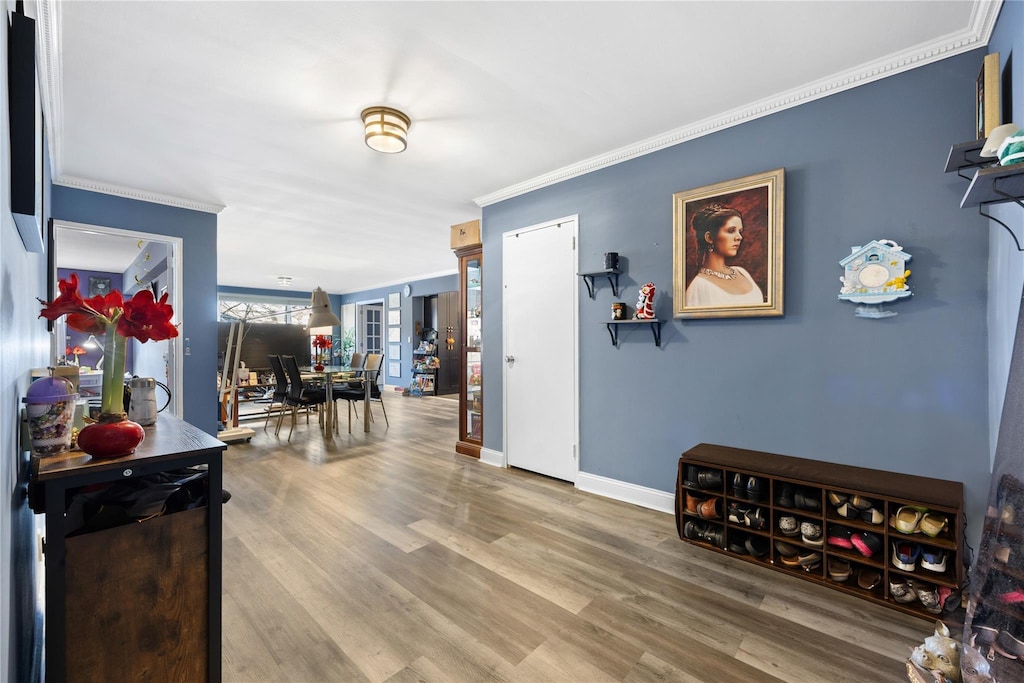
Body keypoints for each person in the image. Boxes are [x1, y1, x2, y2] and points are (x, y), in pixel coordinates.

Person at [684, 203, 765, 306]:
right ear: (709, 238)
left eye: (740, 231)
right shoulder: (699, 286)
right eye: (731, 231)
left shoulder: (742, 272)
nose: (739, 237)